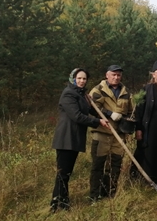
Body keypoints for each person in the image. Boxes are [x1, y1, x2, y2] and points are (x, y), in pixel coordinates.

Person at [50, 68, 109, 212]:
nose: (82, 81)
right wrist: (97, 122)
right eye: (79, 78)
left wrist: (108, 115)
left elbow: (92, 110)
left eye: (84, 79)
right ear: (73, 78)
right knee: (63, 173)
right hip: (66, 138)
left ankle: (61, 202)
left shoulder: (82, 95)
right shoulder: (68, 94)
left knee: (67, 173)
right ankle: (57, 204)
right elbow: (77, 116)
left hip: (74, 139)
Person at [88, 65, 133, 202]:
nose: (116, 77)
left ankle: (110, 192)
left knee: (115, 165)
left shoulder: (125, 92)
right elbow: (91, 107)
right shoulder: (98, 90)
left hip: (118, 135)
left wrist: (127, 123)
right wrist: (109, 114)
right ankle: (94, 195)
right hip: (102, 133)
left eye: (118, 75)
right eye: (113, 74)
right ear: (107, 75)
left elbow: (130, 111)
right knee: (98, 165)